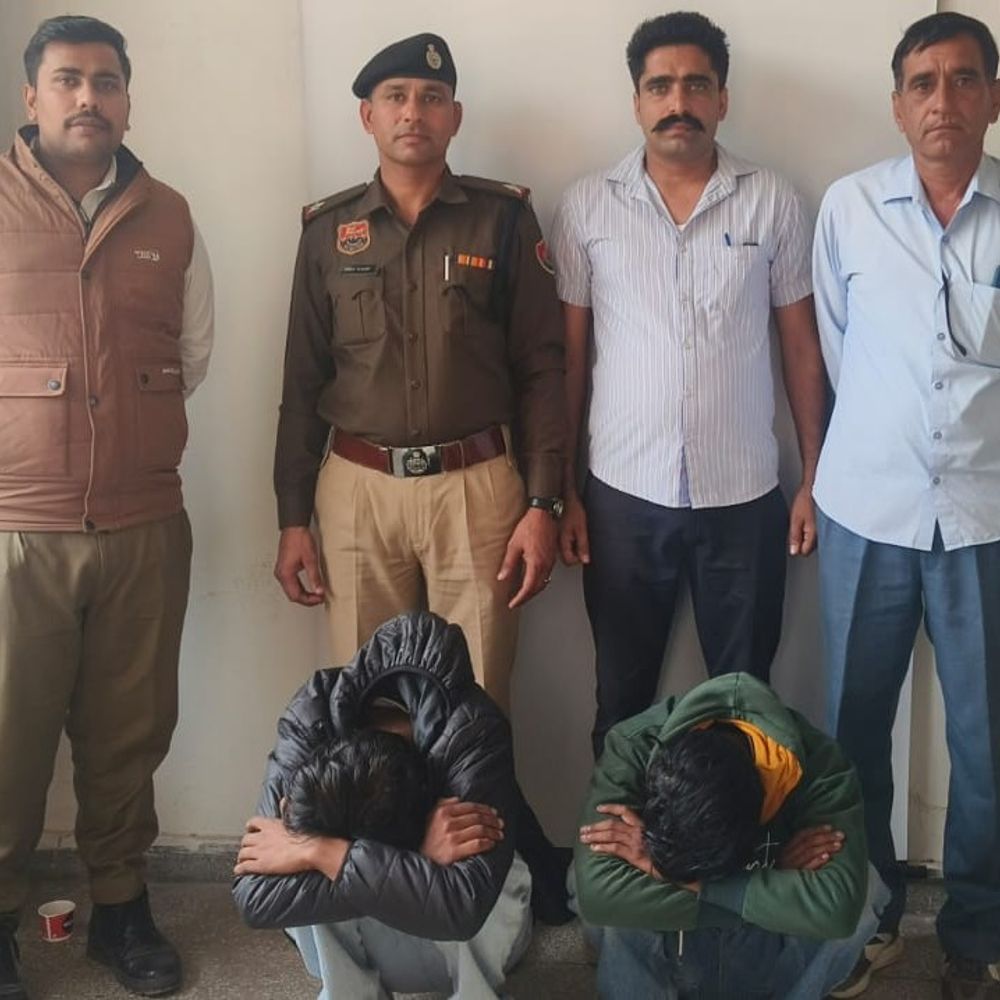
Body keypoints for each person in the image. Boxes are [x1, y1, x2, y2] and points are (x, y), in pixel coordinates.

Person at [0, 15, 213, 1000]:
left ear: (127, 97)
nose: (89, 97)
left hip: (142, 524)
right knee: (7, 738)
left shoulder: (170, 215)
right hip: (18, 530)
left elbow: (193, 353)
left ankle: (121, 908)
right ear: (31, 96)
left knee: (130, 734)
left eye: (107, 81)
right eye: (68, 79)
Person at [550, 11, 826, 756]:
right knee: (622, 701)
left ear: (722, 99)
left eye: (697, 85)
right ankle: (614, 833)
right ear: (637, 101)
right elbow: (570, 360)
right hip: (621, 497)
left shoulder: (771, 200)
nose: (680, 102)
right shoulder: (587, 206)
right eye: (661, 86)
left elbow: (801, 348)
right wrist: (565, 489)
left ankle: (740, 831)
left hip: (744, 497)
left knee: (748, 704)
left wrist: (812, 478)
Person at [271, 31, 565, 714]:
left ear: (454, 117)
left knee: (477, 703)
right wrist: (292, 518)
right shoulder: (326, 233)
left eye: (432, 98)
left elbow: (543, 368)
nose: (413, 112)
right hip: (357, 494)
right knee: (363, 707)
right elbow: (301, 382)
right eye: (395, 97)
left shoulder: (503, 219)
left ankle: (475, 794)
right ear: (367, 115)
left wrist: (543, 502)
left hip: (477, 490)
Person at [812, 11, 1000, 998]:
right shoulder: (848, 208)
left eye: (964, 79)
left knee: (987, 743)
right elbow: (837, 347)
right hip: (866, 511)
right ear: (896, 104)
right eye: (922, 82)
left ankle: (976, 932)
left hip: (986, 519)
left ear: (993, 97)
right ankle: (868, 916)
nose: (942, 100)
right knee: (851, 732)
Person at [233, 612, 532, 1000]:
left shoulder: (472, 727)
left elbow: (464, 905)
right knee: (302, 861)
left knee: (478, 852)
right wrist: (327, 852)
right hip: (399, 909)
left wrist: (327, 853)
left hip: (466, 934)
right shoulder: (312, 714)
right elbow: (255, 897)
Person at [575, 672, 886, 999]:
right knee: (591, 873)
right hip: (708, 934)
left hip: (764, 954)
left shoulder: (819, 763)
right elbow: (597, 896)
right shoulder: (633, 745)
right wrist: (776, 885)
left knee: (866, 889)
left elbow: (839, 908)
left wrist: (678, 879)